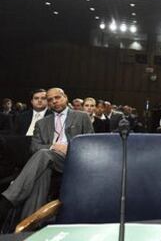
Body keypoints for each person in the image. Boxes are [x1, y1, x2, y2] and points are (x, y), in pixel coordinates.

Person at [0, 88, 94, 223]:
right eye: (50, 100)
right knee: (42, 171)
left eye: (57, 97)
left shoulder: (81, 117)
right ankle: (29, 225)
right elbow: (34, 147)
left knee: (43, 155)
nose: (54, 101)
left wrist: (70, 147)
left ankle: (7, 201)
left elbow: (89, 143)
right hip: (49, 160)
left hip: (73, 159)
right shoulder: (42, 123)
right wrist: (53, 146)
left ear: (65, 97)